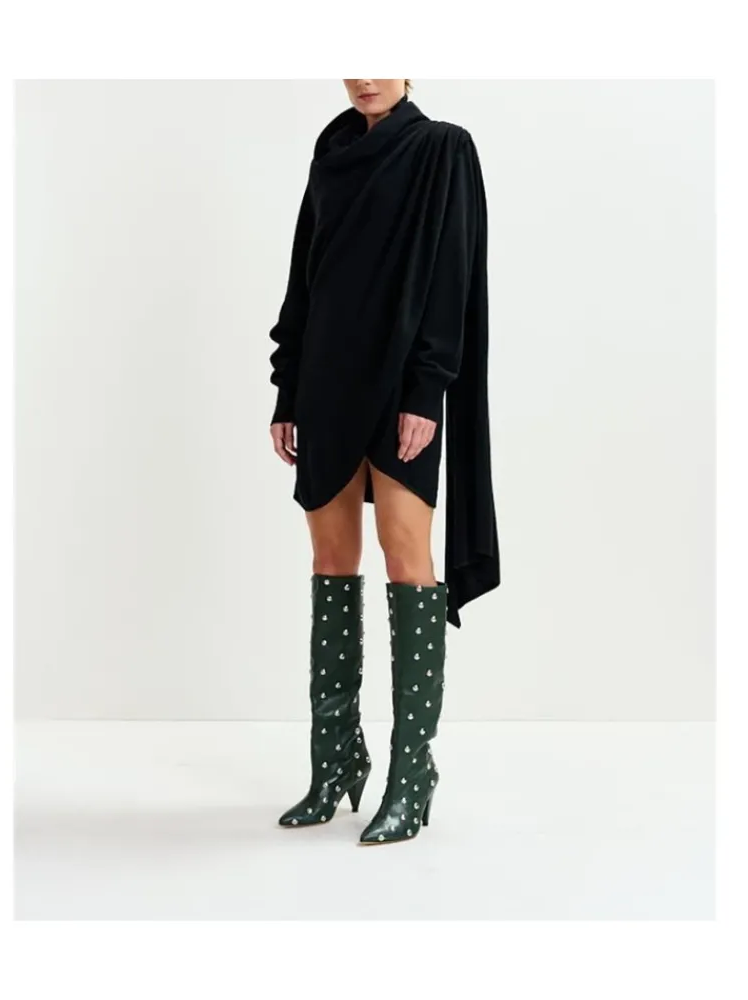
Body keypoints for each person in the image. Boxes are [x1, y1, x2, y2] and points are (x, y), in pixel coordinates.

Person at [267, 79, 499, 845]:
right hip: (326, 382)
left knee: (407, 557)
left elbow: (451, 276)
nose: (364, 76)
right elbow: (306, 274)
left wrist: (427, 390)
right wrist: (287, 390)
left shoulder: (443, 149)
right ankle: (335, 761)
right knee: (331, 561)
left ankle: (412, 771)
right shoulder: (330, 154)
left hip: (401, 385)